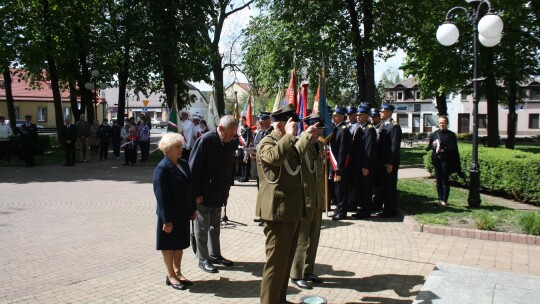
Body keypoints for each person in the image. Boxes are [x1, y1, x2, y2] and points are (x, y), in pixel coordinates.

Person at [256, 104, 318, 304]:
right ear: (281, 124)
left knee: (286, 261)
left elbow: (295, 156)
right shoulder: (267, 142)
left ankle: (279, 299)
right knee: (275, 264)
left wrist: (308, 136)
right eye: (292, 123)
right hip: (277, 212)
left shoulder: (286, 141)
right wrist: (289, 136)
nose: (295, 127)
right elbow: (274, 158)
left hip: (291, 210)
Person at [188, 115, 237, 274]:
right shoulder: (205, 141)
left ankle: (215, 255)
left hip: (219, 193)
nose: (232, 137)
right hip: (204, 194)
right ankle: (203, 259)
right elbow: (193, 170)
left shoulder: (230, 143)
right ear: (220, 129)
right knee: (202, 227)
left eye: (234, 134)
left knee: (215, 226)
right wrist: (197, 193)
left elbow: (228, 169)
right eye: (229, 134)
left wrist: (226, 190)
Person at [153, 132, 196, 291]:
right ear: (168, 149)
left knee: (179, 243)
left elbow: (190, 188)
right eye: (177, 147)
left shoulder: (183, 163)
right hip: (169, 214)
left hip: (183, 212)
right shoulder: (162, 168)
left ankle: (178, 272)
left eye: (180, 146)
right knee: (168, 245)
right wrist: (166, 220)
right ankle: (170, 275)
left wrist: (193, 209)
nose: (181, 149)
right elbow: (161, 197)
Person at [290, 113, 325, 290]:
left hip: (317, 198)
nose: (320, 133)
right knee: (302, 239)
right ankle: (296, 274)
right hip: (304, 198)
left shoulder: (319, 145)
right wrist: (306, 136)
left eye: (321, 130)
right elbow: (295, 155)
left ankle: (308, 270)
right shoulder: (300, 143)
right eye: (317, 129)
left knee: (314, 238)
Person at [426, 115, 463, 206]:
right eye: (440, 123)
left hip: (445, 160)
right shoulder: (435, 133)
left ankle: (444, 200)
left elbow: (453, 149)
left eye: (443, 123)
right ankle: (440, 198)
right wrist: (433, 146)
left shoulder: (451, 135)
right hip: (436, 160)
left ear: (447, 123)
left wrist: (444, 148)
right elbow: (429, 146)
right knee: (438, 180)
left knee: (445, 180)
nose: (442, 124)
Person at [351, 106, 377, 219]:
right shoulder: (359, 128)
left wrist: (366, 166)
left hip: (365, 166)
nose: (358, 117)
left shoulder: (369, 129)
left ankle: (366, 212)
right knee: (360, 189)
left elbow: (369, 149)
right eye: (357, 115)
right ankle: (361, 210)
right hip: (358, 165)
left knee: (366, 189)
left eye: (360, 115)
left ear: (367, 116)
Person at [377, 103, 402, 218]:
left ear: (389, 113)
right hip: (383, 162)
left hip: (389, 163)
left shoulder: (394, 127)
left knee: (390, 187)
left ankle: (390, 210)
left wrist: (390, 163)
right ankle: (386, 209)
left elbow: (394, 147)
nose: (380, 113)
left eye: (383, 111)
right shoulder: (383, 125)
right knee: (384, 187)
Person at [329, 105, 352, 221]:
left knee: (342, 189)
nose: (333, 117)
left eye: (336, 116)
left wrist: (339, 167)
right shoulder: (336, 128)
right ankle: (338, 209)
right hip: (335, 165)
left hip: (341, 166)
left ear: (342, 117)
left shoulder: (344, 130)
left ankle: (342, 212)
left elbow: (343, 150)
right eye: (333, 115)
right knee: (337, 189)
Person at [238, 116, 253, 182]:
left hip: (246, 148)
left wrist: (246, 149)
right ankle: (242, 175)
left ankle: (246, 176)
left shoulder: (248, 129)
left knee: (246, 162)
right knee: (241, 162)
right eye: (240, 121)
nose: (241, 122)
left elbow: (248, 139)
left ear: (245, 120)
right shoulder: (239, 129)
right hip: (240, 148)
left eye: (242, 121)